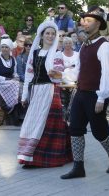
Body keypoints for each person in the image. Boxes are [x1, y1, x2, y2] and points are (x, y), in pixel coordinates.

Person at [61, 6, 109, 179]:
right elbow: (79, 70)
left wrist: (102, 97)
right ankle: (78, 167)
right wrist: (62, 75)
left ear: (98, 24)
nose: (84, 24)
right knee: (75, 128)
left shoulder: (105, 46)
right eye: (83, 21)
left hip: (96, 94)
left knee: (99, 131)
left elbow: (107, 73)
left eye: (88, 21)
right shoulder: (84, 46)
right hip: (80, 92)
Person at [17, 21, 72, 168]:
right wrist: (24, 96)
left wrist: (56, 74)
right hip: (36, 92)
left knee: (47, 125)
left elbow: (60, 74)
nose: (50, 36)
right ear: (41, 35)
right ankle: (30, 156)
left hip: (50, 91)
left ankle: (41, 158)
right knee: (33, 124)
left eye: (53, 33)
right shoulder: (34, 53)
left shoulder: (57, 54)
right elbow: (29, 76)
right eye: (47, 33)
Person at [0, 39, 20, 125]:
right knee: (15, 85)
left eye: (6, 47)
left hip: (11, 83)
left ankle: (14, 114)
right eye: (2, 47)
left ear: (10, 48)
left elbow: (15, 73)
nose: (4, 49)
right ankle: (7, 109)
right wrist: (9, 79)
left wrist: (16, 77)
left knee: (18, 85)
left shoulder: (13, 59)